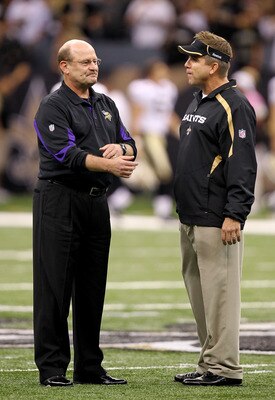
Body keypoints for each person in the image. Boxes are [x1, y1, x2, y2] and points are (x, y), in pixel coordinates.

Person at [32, 38, 138, 387]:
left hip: (96, 202)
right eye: (85, 62)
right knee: (55, 287)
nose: (93, 66)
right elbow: (65, 155)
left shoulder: (105, 103)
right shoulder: (53, 106)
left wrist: (121, 148)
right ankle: (52, 368)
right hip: (59, 200)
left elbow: (129, 142)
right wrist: (109, 165)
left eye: (95, 60)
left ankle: (90, 367)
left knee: (92, 287)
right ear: (64, 66)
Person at [173, 31, 257, 386]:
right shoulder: (199, 101)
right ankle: (210, 362)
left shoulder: (234, 105)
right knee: (201, 296)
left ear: (214, 64)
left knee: (220, 296)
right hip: (191, 216)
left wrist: (234, 213)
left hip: (215, 216)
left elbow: (242, 163)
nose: (188, 64)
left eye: (194, 58)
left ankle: (225, 367)